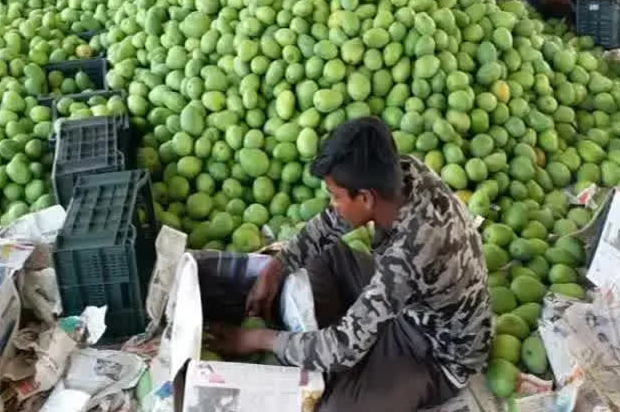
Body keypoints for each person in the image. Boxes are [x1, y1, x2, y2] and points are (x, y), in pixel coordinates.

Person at [210, 117, 492, 412]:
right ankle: (348, 342)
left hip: (433, 353)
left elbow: (341, 350)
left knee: (336, 406)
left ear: (366, 198)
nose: (332, 204)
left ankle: (351, 352)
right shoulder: (404, 171)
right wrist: (276, 267)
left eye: (336, 197)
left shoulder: (413, 253)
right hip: (406, 302)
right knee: (316, 255)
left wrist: (257, 339)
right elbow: (332, 223)